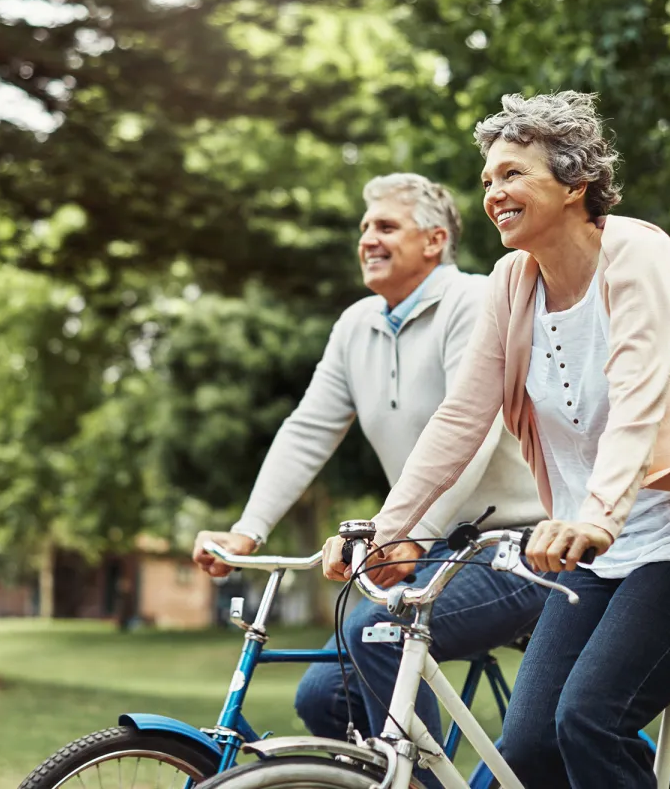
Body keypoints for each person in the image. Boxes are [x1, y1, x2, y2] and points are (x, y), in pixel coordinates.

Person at [321, 92, 670, 788]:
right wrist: (389, 531)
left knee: (590, 719)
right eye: (487, 181)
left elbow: (638, 395)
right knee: (531, 747)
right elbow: (461, 418)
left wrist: (596, 517)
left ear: (576, 184)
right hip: (598, 557)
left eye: (512, 174)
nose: (494, 192)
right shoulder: (513, 284)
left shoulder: (637, 251)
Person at [190, 173, 547, 775]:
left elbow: (475, 431)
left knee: (378, 629)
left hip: (520, 544)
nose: (368, 240)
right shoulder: (356, 325)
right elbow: (307, 431)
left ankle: (423, 781)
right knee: (322, 695)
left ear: (434, 240)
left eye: (385, 226)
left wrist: (410, 532)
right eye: (364, 229)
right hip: (436, 548)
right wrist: (247, 531)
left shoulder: (476, 301)